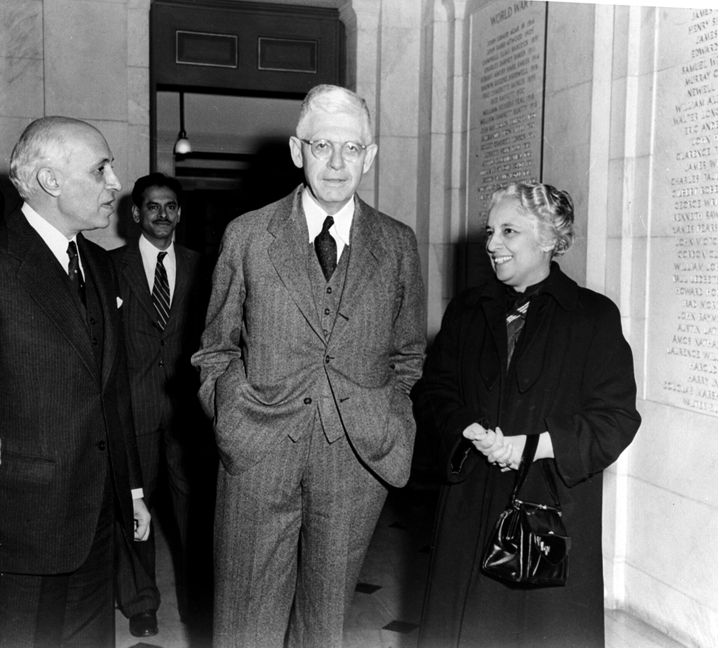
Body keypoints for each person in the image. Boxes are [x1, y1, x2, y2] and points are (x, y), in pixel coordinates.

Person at [191, 84, 426, 648]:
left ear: (370, 156)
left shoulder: (397, 244)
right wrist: (233, 419)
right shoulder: (249, 235)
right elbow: (216, 348)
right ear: (298, 151)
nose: (337, 163)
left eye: (352, 148)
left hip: (354, 458)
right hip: (257, 452)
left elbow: (408, 355)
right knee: (245, 622)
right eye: (323, 146)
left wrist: (384, 415)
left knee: (324, 626)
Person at [0, 116, 151, 648]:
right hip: (14, 529)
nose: (116, 183)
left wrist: (131, 490)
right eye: (100, 169)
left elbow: (111, 392)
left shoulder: (100, 264)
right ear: (51, 181)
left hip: (94, 526)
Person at [412, 181, 641, 647]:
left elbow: (616, 418)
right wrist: (464, 428)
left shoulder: (592, 317)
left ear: (549, 239)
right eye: (491, 231)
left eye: (509, 231)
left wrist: (532, 447)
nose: (492, 244)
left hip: (549, 511)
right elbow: (432, 389)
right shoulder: (467, 311)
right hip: (470, 507)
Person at [111, 173, 212, 637]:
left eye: (170, 206)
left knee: (195, 512)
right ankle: (141, 603)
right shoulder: (111, 267)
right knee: (135, 508)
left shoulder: (203, 267)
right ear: (136, 213)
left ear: (179, 212)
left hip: (188, 414)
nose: (163, 215)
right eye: (153, 206)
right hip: (133, 412)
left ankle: (197, 603)